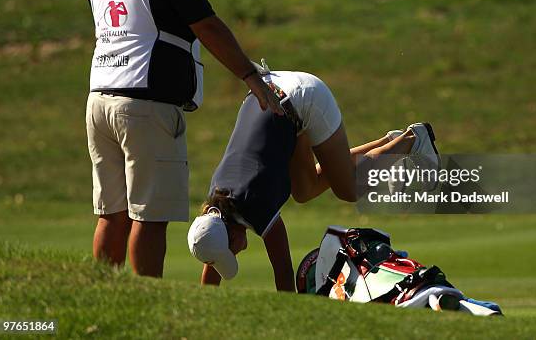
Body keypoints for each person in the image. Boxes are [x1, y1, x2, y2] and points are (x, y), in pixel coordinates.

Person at [86, 0, 283, 278]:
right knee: (150, 214)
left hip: (99, 100)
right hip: (145, 105)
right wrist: (250, 76)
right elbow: (207, 26)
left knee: (112, 213)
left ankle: (100, 297)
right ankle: (146, 303)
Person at [187, 62, 439, 290]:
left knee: (348, 188)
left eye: (232, 251)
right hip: (272, 93)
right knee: (304, 189)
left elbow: (283, 272)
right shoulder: (217, 205)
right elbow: (214, 251)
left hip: (301, 99)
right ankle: (389, 143)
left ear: (231, 234)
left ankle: (413, 140)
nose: (238, 251)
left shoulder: (255, 205)